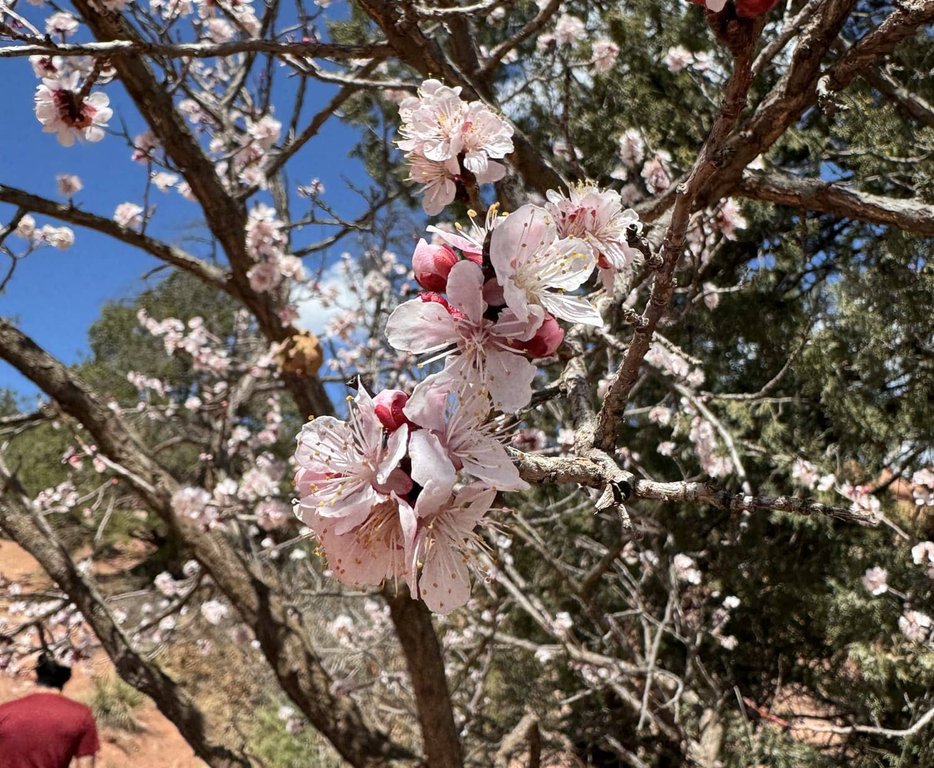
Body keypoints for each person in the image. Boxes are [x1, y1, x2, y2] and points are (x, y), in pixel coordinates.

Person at [0, 653, 100, 768]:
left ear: (37, 674)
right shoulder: (81, 715)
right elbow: (85, 765)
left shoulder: (4, 712)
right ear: (66, 677)